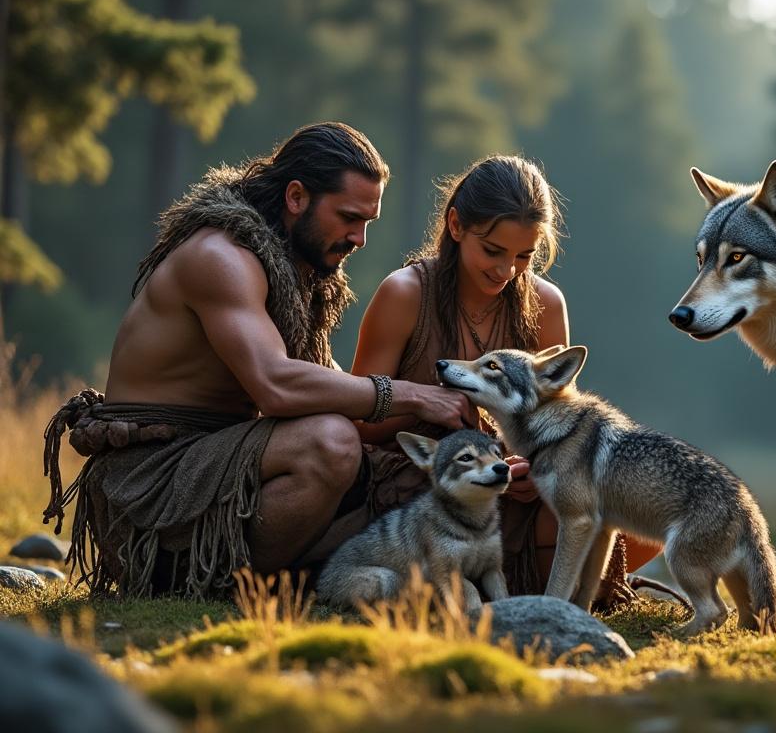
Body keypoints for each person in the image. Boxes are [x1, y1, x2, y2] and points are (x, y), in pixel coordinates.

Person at [42, 122, 472, 599]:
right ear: (296, 197)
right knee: (330, 443)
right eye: (349, 217)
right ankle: (227, 589)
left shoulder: (292, 269)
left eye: (368, 221)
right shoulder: (221, 258)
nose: (360, 238)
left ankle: (304, 581)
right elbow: (277, 386)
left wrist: (440, 431)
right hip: (153, 490)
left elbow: (323, 388)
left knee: (410, 487)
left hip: (223, 473)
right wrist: (409, 394)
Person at [350, 154, 661, 600]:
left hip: (511, 492)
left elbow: (559, 421)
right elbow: (362, 425)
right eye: (493, 251)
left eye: (524, 256)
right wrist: (425, 402)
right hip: (424, 489)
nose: (507, 270)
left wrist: (532, 468)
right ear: (456, 226)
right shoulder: (405, 293)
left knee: (649, 518)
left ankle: (507, 587)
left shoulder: (546, 304)